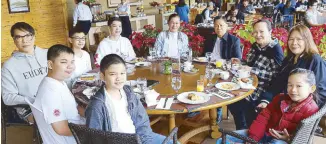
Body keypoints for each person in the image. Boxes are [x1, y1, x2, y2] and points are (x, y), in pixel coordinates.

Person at [85, 54, 173, 144]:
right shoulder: (97, 106)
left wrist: (146, 142)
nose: (119, 78)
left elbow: (142, 122)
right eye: (112, 74)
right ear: (102, 76)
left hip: (139, 137)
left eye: (122, 73)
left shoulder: (128, 93)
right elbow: (94, 139)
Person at [216, 68, 320, 144]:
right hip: (264, 134)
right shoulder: (280, 98)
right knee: (223, 140)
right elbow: (263, 117)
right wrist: (253, 138)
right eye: (290, 85)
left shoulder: (311, 110)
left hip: (283, 141)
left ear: (311, 88)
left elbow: (303, 138)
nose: (293, 90)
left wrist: (288, 138)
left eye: (299, 86)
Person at [228, 19, 284, 130]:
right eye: (255, 32)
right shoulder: (256, 46)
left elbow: (276, 76)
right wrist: (240, 62)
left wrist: (252, 70)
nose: (258, 35)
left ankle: (247, 132)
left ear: (270, 31)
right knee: (230, 99)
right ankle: (241, 130)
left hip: (262, 90)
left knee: (238, 103)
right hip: (247, 83)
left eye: (261, 31)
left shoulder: (275, 50)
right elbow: (249, 63)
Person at [259, 24, 326, 109]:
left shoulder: (314, 60)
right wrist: (266, 99)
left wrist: (297, 106)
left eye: (299, 39)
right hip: (284, 101)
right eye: (291, 39)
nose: (294, 43)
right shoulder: (289, 59)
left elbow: (321, 92)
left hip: (302, 108)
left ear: (307, 41)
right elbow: (278, 82)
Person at [33, 44, 85, 144]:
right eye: (64, 62)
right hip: (72, 140)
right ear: (50, 64)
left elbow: (76, 107)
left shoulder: (59, 82)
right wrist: (93, 129)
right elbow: (62, 129)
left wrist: (91, 114)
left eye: (72, 62)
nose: (70, 66)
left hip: (77, 129)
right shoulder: (50, 91)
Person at [1, 22, 48, 123]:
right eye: (19, 37)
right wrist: (31, 100)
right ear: (14, 40)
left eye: (27, 35)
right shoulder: (9, 66)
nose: (24, 40)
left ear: (33, 37)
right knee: (49, 119)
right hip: (29, 107)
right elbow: (7, 97)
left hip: (54, 99)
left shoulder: (48, 54)